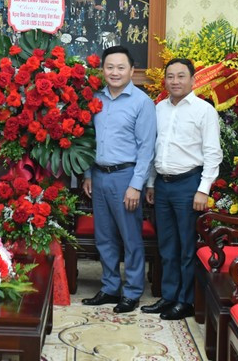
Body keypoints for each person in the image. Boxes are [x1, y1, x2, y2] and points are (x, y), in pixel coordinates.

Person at [142, 58, 222, 320]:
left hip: (189, 184)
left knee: (187, 246)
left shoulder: (204, 110)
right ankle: (169, 297)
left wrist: (204, 189)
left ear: (193, 79)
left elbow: (213, 153)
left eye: (181, 76)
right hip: (163, 185)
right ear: (164, 80)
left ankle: (185, 301)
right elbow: (155, 148)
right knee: (166, 245)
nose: (175, 81)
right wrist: (152, 182)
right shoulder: (158, 109)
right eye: (170, 77)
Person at [81, 45, 156, 313]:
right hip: (99, 177)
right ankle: (110, 287)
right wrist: (88, 174)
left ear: (132, 71)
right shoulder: (94, 99)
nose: (115, 72)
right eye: (109, 67)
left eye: (120, 67)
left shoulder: (142, 102)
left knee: (130, 238)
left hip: (126, 176)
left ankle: (133, 291)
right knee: (104, 237)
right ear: (102, 70)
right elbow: (88, 139)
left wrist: (137, 185)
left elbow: (147, 148)